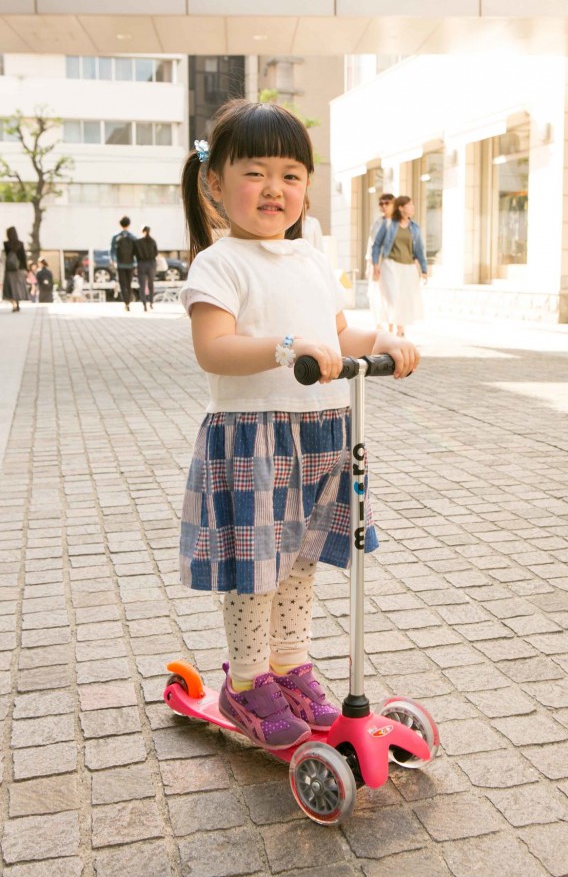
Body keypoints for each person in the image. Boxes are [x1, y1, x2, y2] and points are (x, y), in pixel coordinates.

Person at [178, 101, 420, 751]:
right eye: (254, 172)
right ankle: (248, 680)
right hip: (253, 436)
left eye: (290, 174)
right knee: (257, 569)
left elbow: (339, 330)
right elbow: (214, 347)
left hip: (318, 434)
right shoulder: (219, 264)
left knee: (301, 563)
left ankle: (290, 666)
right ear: (216, 182)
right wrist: (285, 348)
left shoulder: (312, 259)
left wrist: (385, 338)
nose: (274, 188)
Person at [372, 195, 427, 338]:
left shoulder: (415, 228)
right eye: (410, 205)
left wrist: (424, 270)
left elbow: (420, 250)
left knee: (404, 299)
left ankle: (398, 329)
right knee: (392, 296)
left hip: (408, 267)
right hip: (390, 264)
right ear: (401, 208)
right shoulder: (389, 223)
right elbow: (377, 244)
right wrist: (376, 264)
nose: (413, 207)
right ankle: (396, 329)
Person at [366, 193, 394, 328]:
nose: (383, 206)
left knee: (391, 295)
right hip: (376, 263)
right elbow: (371, 243)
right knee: (376, 295)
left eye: (387, 203)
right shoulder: (377, 223)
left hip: (392, 264)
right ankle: (379, 325)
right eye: (381, 204)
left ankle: (392, 325)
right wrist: (369, 265)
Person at [110, 216, 138, 311]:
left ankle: (126, 303)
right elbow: (136, 252)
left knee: (122, 284)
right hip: (131, 264)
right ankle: (128, 302)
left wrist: (114, 260)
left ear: (120, 224)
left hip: (120, 264)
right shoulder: (133, 237)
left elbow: (112, 251)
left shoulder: (116, 237)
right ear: (129, 224)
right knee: (129, 284)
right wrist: (136, 263)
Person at [2, 226, 28, 312]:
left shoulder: (6, 244)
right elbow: (23, 257)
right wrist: (25, 269)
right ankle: (18, 303)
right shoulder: (20, 243)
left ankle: (14, 304)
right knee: (18, 287)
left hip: (9, 270)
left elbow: (6, 256)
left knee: (10, 287)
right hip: (19, 269)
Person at [135, 225, 158, 312]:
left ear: (142, 231)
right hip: (151, 264)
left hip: (141, 264)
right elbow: (156, 253)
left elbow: (135, 253)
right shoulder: (153, 241)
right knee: (151, 284)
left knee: (142, 285)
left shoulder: (138, 241)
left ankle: (144, 305)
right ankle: (151, 302)